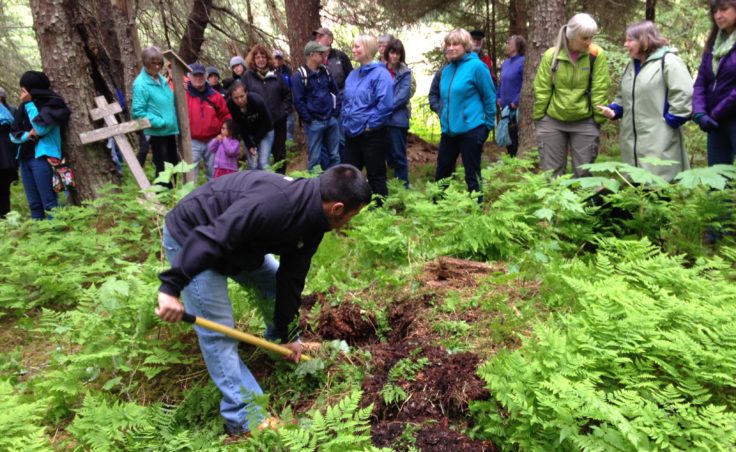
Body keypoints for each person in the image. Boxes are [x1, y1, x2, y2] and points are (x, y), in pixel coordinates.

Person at [155, 164, 371, 438]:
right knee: (218, 331)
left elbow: (291, 278)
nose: (351, 221)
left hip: (240, 246)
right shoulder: (273, 204)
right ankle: (245, 418)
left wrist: (288, 333)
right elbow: (213, 236)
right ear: (338, 208)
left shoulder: (315, 219)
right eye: (353, 214)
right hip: (195, 239)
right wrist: (170, 286)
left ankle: (277, 343)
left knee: (273, 285)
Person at [598, 21, 692, 182]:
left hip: (660, 136)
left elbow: (684, 92)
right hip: (631, 138)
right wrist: (615, 109)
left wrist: (672, 120)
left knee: (660, 183)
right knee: (636, 183)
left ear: (644, 40)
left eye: (629, 40)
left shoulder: (669, 61)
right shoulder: (632, 65)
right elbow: (624, 95)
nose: (625, 44)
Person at [533, 13, 610, 178]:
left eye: (591, 37)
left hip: (585, 120)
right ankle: (555, 205)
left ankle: (583, 204)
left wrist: (597, 120)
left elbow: (600, 88)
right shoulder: (551, 55)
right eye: (584, 38)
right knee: (551, 175)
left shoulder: (596, 55)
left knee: (583, 174)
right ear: (572, 36)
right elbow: (542, 89)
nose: (589, 42)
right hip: (552, 121)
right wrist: (540, 118)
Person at [436, 29, 495, 198]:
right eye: (449, 44)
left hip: (472, 129)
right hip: (448, 131)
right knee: (442, 173)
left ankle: (476, 211)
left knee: (472, 174)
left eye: (456, 44)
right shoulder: (446, 71)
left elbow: (489, 97)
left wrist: (487, 126)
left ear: (465, 46)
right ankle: (438, 210)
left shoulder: (477, 67)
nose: (451, 48)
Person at [11, 71, 71, 219]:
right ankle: (39, 237)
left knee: (49, 203)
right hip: (25, 159)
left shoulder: (53, 103)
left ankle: (56, 235)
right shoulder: (22, 108)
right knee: (34, 204)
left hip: (43, 159)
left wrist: (30, 104)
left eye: (23, 89)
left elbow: (40, 128)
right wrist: (27, 135)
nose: (21, 93)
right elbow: (13, 136)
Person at [342, 34, 394, 204]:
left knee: (376, 174)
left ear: (369, 49)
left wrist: (370, 125)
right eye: (353, 46)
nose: (354, 49)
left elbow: (385, 105)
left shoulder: (381, 74)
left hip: (372, 134)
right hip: (351, 132)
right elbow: (346, 100)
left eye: (358, 46)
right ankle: (352, 207)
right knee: (349, 173)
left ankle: (380, 209)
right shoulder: (353, 75)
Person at [693, 0, 736, 165]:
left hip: (726, 116)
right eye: (715, 11)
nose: (718, 15)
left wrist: (715, 113)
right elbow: (701, 80)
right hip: (714, 122)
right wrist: (699, 113)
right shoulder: (713, 43)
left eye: (724, 9)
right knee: (717, 177)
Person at [132, 47, 179, 186]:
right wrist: (161, 122)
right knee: (163, 168)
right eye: (154, 63)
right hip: (157, 132)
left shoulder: (161, 80)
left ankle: (174, 196)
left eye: (159, 62)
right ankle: (163, 197)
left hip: (169, 131)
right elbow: (138, 112)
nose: (157, 66)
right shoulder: (140, 84)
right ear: (146, 62)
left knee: (173, 165)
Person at [291, 41, 341, 172]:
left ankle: (337, 186)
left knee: (335, 156)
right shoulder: (300, 76)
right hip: (314, 123)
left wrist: (335, 113)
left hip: (330, 120)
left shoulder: (326, 72)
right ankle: (315, 188)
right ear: (311, 55)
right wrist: (309, 119)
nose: (324, 55)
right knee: (314, 158)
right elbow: (298, 101)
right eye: (320, 53)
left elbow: (335, 92)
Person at [243, 44, 291, 173]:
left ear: (267, 58)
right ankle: (259, 185)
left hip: (278, 122)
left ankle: (281, 182)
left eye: (263, 56)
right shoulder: (248, 76)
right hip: (258, 124)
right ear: (253, 59)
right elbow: (242, 98)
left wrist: (284, 111)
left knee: (280, 154)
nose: (260, 60)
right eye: (257, 57)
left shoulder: (275, 75)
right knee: (259, 159)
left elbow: (287, 95)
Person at [313, 27, 353, 160]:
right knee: (324, 140)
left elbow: (351, 78)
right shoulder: (314, 59)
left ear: (330, 40)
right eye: (316, 37)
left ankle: (345, 166)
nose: (317, 40)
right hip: (322, 105)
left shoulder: (340, 56)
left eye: (320, 37)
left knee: (341, 137)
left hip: (340, 102)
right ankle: (329, 171)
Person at [186, 63, 231, 182]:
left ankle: (214, 197)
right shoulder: (184, 96)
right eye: (195, 75)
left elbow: (226, 116)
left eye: (201, 75)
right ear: (189, 76)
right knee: (190, 175)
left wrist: (223, 134)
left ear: (205, 76)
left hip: (213, 139)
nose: (198, 78)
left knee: (214, 172)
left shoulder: (215, 96)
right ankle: (190, 199)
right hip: (192, 140)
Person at [384, 39, 413, 188]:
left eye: (398, 53)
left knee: (398, 154)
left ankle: (403, 187)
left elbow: (403, 95)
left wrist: (385, 107)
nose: (394, 56)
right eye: (392, 52)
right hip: (381, 121)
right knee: (384, 154)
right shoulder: (380, 70)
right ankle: (386, 186)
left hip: (397, 120)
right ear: (387, 53)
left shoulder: (405, 72)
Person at [226, 81, 274, 170]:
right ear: (231, 97)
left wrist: (254, 142)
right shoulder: (230, 105)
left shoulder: (257, 101)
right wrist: (249, 144)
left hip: (265, 131)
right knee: (253, 165)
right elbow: (239, 124)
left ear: (246, 93)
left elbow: (267, 124)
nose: (240, 100)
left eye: (242, 96)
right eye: (236, 98)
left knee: (263, 163)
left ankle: (266, 182)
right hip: (248, 132)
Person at [497, 35, 526, 157]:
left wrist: (516, 101)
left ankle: (517, 162)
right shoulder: (505, 63)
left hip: (516, 108)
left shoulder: (524, 61)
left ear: (517, 46)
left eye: (510, 43)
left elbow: (526, 84)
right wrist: (497, 97)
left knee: (515, 138)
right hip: (505, 108)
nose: (507, 45)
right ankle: (510, 161)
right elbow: (501, 82)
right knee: (506, 137)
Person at [0, 88, 18, 218]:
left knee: (4, 190)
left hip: (6, 156)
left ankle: (4, 217)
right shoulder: (11, 111)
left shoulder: (11, 111)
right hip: (7, 157)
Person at [273, 50, 295, 141]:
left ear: (282, 60)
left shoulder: (288, 71)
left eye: (279, 59)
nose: (277, 61)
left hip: (288, 104)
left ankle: (289, 146)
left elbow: (292, 86)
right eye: (276, 59)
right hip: (275, 105)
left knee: (289, 126)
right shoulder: (270, 71)